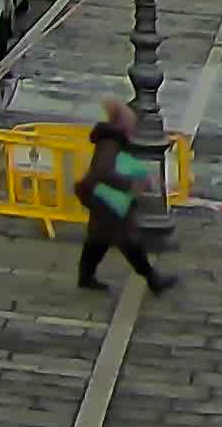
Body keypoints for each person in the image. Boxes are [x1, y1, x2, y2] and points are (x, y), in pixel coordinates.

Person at [74, 102, 180, 297]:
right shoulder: (111, 142)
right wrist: (129, 184)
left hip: (101, 197)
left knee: (99, 238)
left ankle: (86, 277)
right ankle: (153, 279)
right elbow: (103, 171)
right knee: (128, 241)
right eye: (131, 123)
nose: (134, 127)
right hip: (107, 199)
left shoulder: (110, 139)